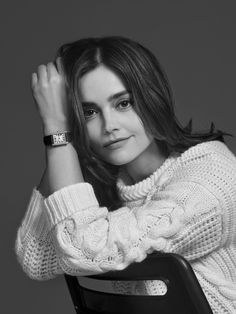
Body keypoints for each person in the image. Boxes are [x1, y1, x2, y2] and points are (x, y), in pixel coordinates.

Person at [15, 36, 236, 313]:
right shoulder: (107, 184)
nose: (109, 126)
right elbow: (37, 256)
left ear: (153, 98)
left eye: (123, 104)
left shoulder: (211, 178)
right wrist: (62, 134)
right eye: (90, 112)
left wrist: (56, 131)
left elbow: (87, 251)